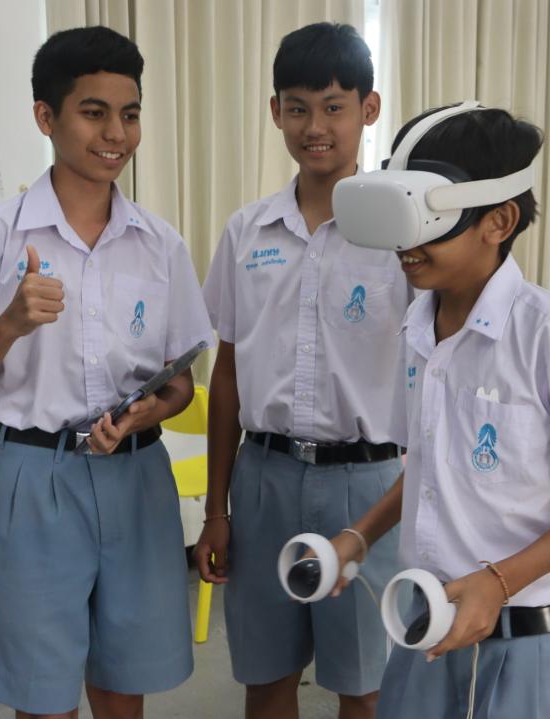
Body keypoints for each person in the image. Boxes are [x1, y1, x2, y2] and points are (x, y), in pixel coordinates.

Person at [0, 26, 211, 719]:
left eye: (130, 113)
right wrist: (8, 325)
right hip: (34, 480)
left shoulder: (160, 244)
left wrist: (150, 411)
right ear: (46, 117)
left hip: (136, 479)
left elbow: (179, 380)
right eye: (93, 112)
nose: (116, 133)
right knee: (43, 696)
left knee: (122, 688)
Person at [333, 104, 550, 718]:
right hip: (426, 621)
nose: (405, 244)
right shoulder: (419, 327)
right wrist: (359, 535)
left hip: (527, 637)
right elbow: (429, 464)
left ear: (497, 221)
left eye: (427, 221)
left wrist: (498, 583)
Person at [194, 22, 413, 719]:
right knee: (266, 677)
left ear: (369, 109)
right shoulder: (247, 231)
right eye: (297, 108)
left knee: (365, 686)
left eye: (333, 107)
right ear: (275, 112)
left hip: (366, 483)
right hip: (265, 480)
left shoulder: (401, 237)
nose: (314, 127)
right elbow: (227, 375)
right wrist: (217, 510)